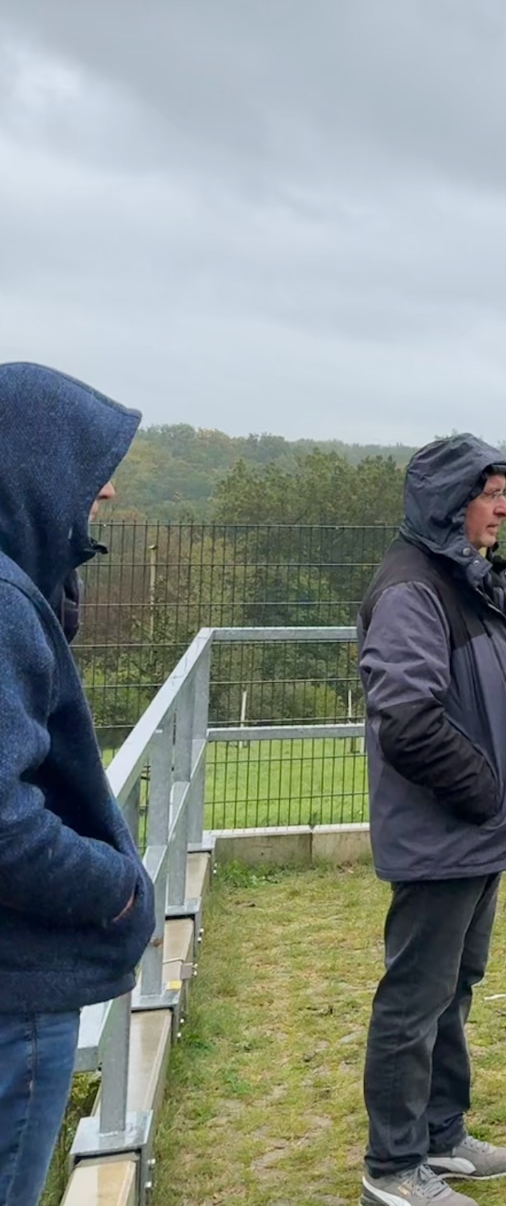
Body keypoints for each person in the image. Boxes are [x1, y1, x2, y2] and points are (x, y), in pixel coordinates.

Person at [357, 436, 506, 1206]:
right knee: (414, 1001)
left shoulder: (464, 581)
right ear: (450, 501)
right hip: (445, 836)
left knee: (455, 988)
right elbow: (406, 718)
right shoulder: (415, 590)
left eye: (505, 491)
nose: (505, 507)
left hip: (475, 838)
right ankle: (393, 1167)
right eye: (491, 493)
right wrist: (482, 792)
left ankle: (441, 1137)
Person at [0, 363, 154, 1206]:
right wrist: (119, 890)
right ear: (35, 464)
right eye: (92, 477)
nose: (106, 499)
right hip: (18, 998)